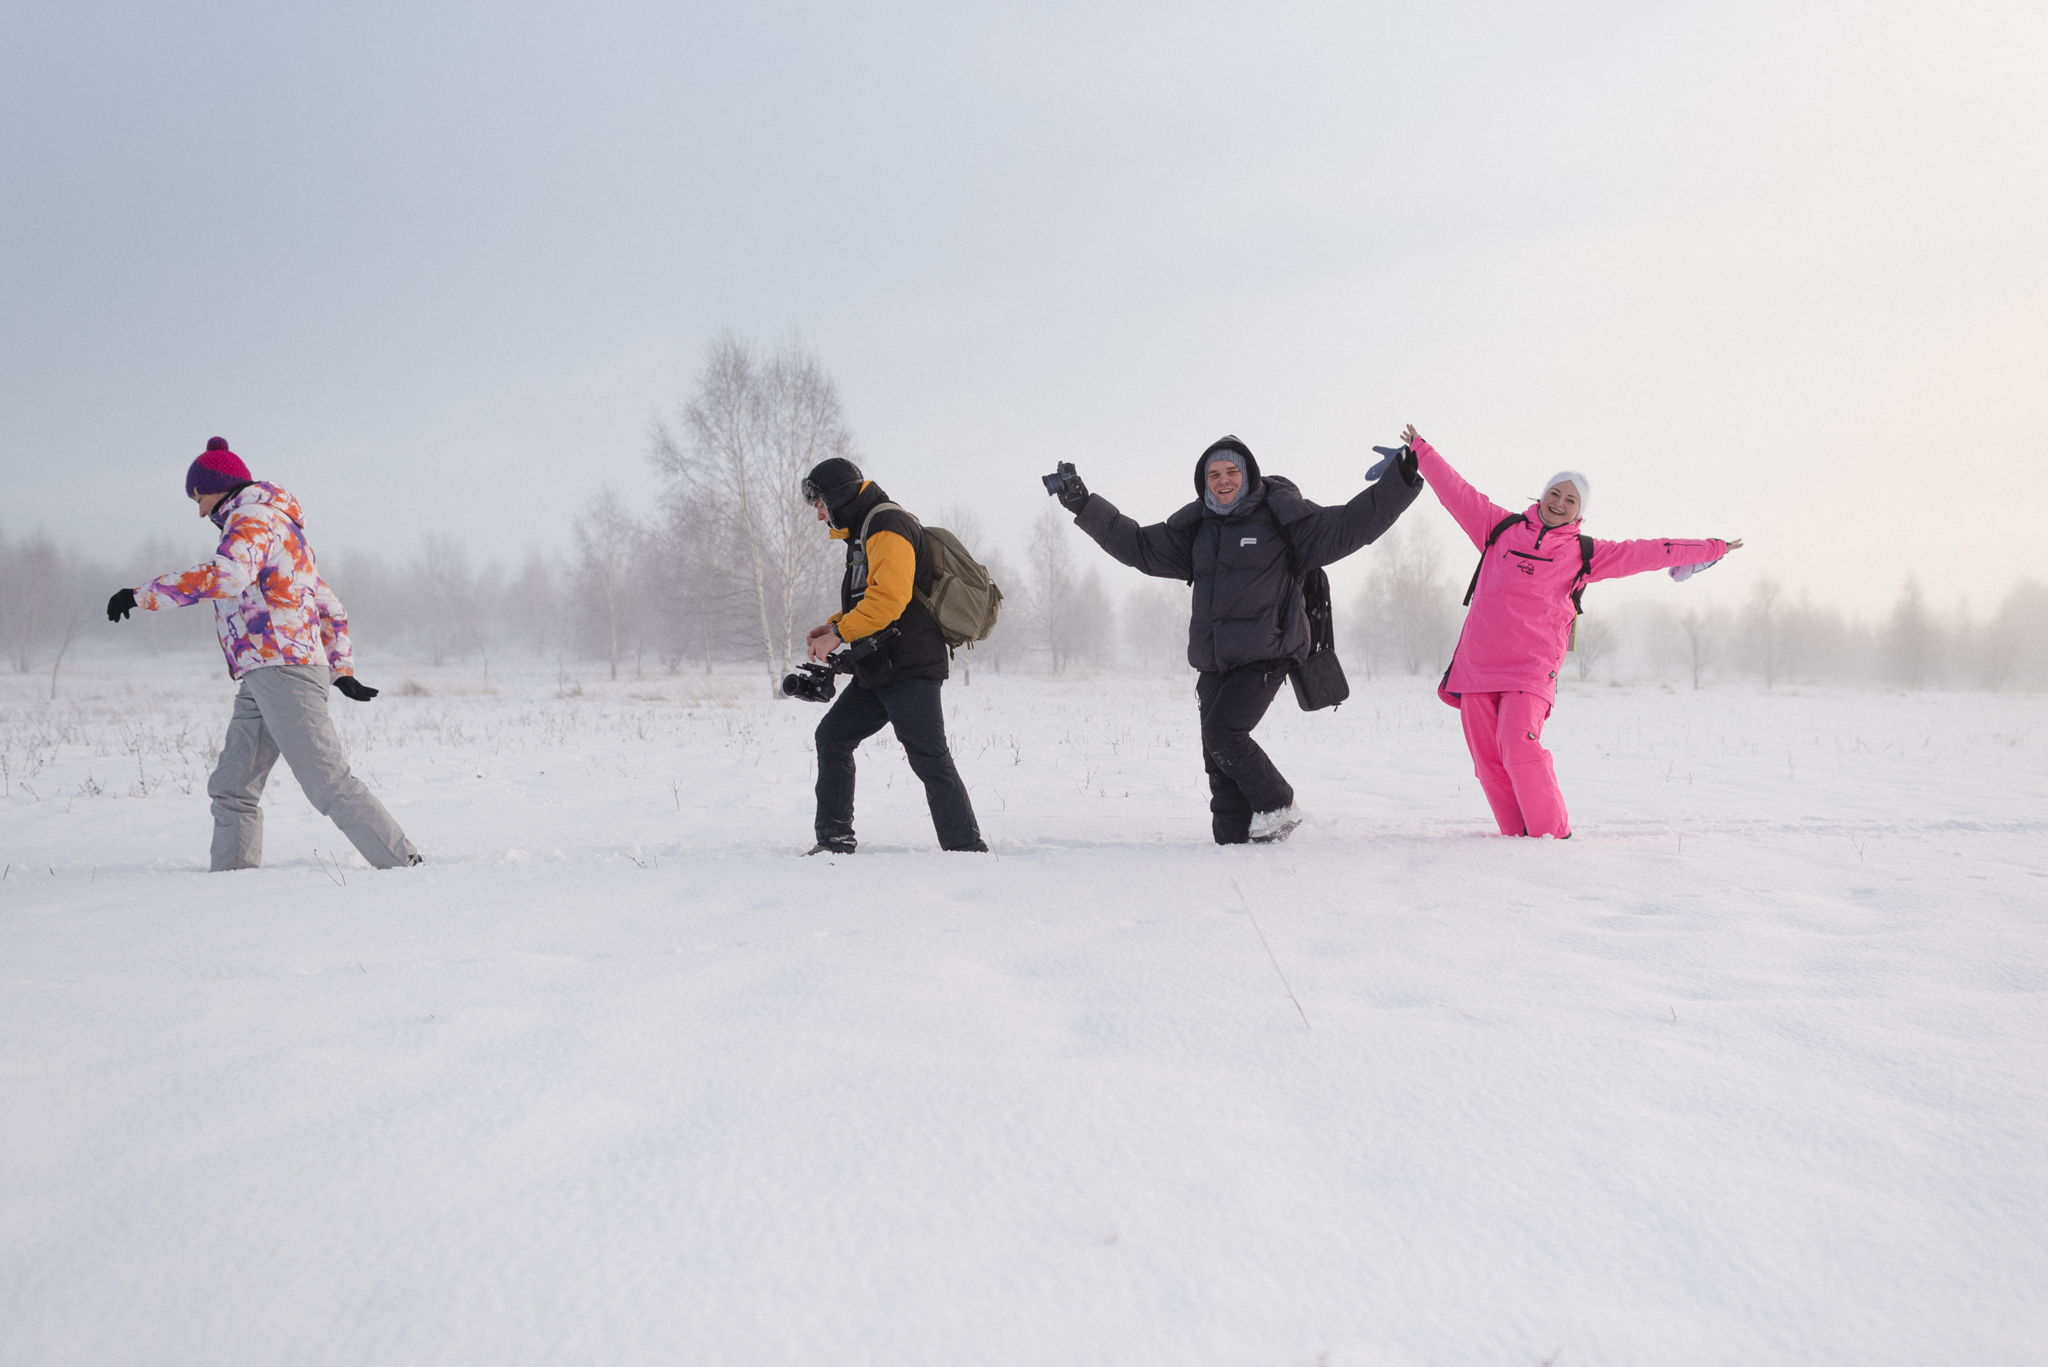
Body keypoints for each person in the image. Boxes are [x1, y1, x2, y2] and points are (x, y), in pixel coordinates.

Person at [1053, 435, 1423, 844]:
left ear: (1247, 475)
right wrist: (1083, 504)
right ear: (1203, 481)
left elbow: (1351, 524)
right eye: (1214, 474)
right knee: (1215, 755)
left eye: (1231, 472)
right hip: (1214, 660)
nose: (1223, 481)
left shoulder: (1282, 518)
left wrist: (1400, 479)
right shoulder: (1195, 529)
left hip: (1267, 654)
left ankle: (1278, 806)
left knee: (1224, 735)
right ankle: (1230, 840)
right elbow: (1139, 546)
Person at [1402, 423, 1743, 839]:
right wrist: (1421, 450)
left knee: (1519, 746)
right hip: (1478, 665)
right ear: (1541, 496)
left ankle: (1551, 839)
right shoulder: (1498, 529)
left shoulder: (1585, 554)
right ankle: (1515, 840)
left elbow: (1652, 550)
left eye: (1570, 499)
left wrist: (1712, 548)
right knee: (1487, 761)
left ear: (1579, 512)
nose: (1560, 503)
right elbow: (1457, 492)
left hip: (1530, 670)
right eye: (1555, 494)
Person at [106, 437, 421, 871]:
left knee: (326, 781)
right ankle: (232, 880)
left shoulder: (251, 519)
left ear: (219, 484)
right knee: (232, 785)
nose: (199, 511)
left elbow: (229, 575)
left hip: (283, 670)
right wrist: (340, 668)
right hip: (266, 673)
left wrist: (144, 595)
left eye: (200, 497)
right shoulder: (283, 529)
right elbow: (329, 606)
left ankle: (404, 865)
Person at [801, 457, 985, 855]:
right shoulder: (866, 530)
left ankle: (966, 850)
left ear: (836, 497)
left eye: (819, 506)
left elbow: (890, 599)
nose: (819, 516)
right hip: (880, 665)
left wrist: (839, 633)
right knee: (832, 737)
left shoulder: (887, 525)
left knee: (929, 758)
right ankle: (834, 841)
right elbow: (871, 596)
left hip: (911, 667)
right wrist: (833, 625)